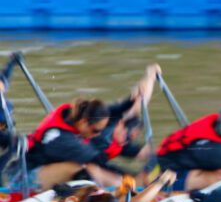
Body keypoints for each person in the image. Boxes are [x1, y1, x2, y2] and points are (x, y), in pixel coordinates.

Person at [22, 65, 160, 189]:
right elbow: (98, 164)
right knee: (88, 170)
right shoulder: (62, 138)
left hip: (66, 169)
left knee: (118, 175)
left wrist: (150, 76)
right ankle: (129, 193)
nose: (97, 134)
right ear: (84, 123)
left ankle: (137, 190)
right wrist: (130, 184)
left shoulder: (98, 120)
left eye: (131, 139)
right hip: (27, 178)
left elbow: (137, 103)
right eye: (96, 131)